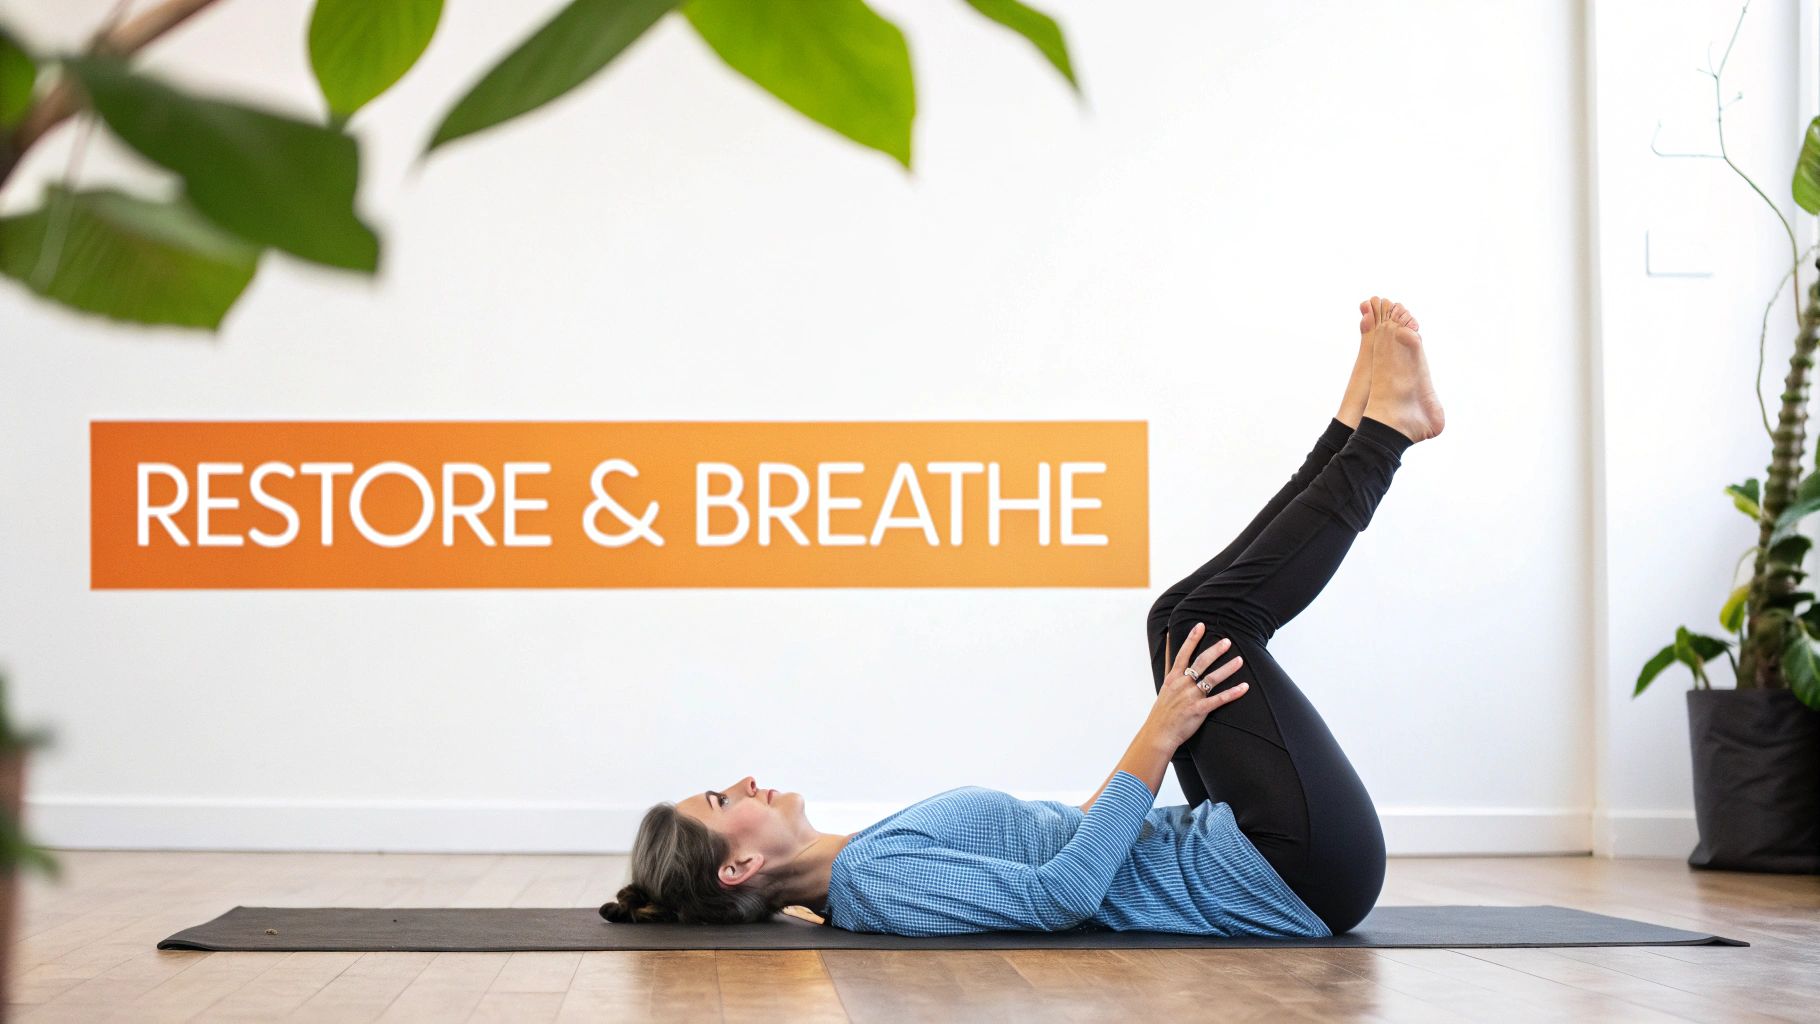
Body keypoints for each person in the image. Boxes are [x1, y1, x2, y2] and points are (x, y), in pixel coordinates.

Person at [600, 297, 1445, 936]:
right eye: (722, 799)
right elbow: (1062, 896)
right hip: (1289, 872)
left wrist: (1160, 738)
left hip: (1245, 850)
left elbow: (1065, 848)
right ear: (740, 865)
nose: (745, 781)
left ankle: (1355, 429)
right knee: (1211, 621)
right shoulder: (872, 885)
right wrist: (1157, 736)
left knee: (1176, 621)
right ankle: (1382, 435)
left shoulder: (862, 864)